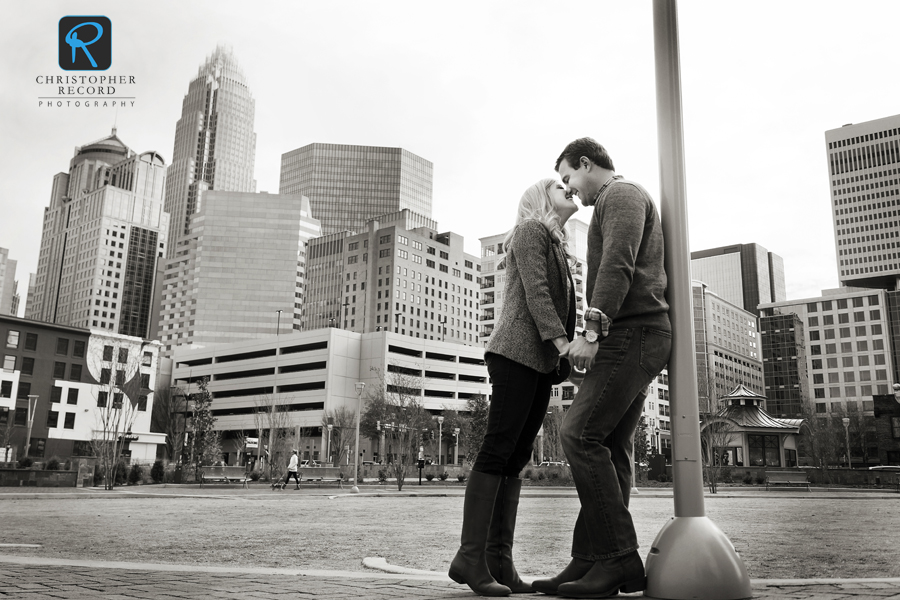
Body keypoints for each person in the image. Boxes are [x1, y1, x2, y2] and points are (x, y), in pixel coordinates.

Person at [532, 138, 672, 598]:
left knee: (578, 434)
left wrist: (591, 332)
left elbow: (618, 263)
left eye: (569, 177)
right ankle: (592, 558)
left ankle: (618, 560)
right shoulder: (617, 199)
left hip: (633, 333)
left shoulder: (622, 195)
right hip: (634, 334)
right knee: (610, 446)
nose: (570, 190)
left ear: (586, 163)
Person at [449, 178, 578, 596]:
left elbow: (558, 302)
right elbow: (538, 293)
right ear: (541, 199)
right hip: (515, 352)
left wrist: (560, 356)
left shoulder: (557, 243)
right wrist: (563, 345)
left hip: (538, 360)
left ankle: (499, 561)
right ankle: (471, 557)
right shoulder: (530, 231)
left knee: (517, 456)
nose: (569, 189)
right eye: (560, 185)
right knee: (499, 446)